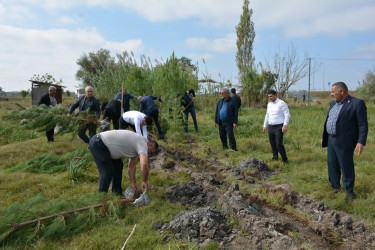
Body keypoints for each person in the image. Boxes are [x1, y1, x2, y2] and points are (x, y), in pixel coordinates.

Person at [322, 82, 368, 201]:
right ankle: (335, 187)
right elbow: (329, 119)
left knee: (346, 165)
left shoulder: (357, 103)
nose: (332, 95)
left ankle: (349, 191)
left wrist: (361, 141)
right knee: (332, 164)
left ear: (342, 91)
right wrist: (325, 136)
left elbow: (362, 124)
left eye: (334, 92)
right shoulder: (333, 104)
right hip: (331, 139)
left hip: (345, 140)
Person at [88, 130, 158, 195]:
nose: (149, 154)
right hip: (99, 143)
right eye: (151, 152)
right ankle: (101, 197)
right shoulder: (143, 143)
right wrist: (144, 181)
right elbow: (144, 164)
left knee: (118, 166)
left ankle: (116, 193)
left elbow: (131, 166)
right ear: (150, 145)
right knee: (108, 171)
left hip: (106, 147)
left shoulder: (138, 147)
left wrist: (133, 183)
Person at [263, 89, 290, 164]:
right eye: (268, 96)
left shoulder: (281, 103)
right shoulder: (269, 104)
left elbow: (287, 114)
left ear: (275, 95)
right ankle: (275, 157)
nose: (270, 98)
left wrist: (285, 125)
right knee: (272, 143)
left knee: (279, 144)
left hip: (279, 127)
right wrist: (265, 125)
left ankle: (285, 160)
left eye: (271, 96)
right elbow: (267, 115)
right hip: (271, 127)